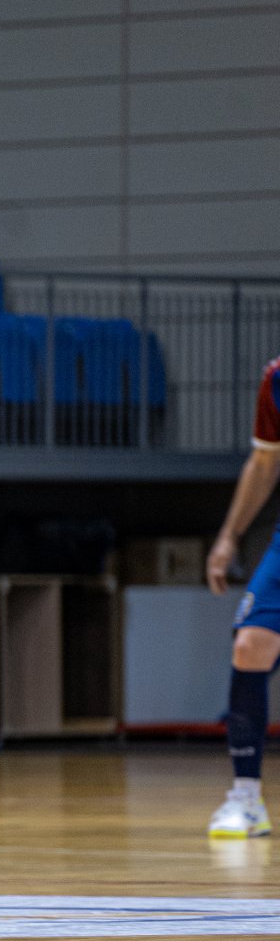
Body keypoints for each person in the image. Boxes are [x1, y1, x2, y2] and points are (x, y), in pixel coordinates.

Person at [202, 358, 280, 840]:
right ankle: (246, 800)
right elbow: (265, 461)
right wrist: (229, 537)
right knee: (251, 643)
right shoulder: (277, 379)